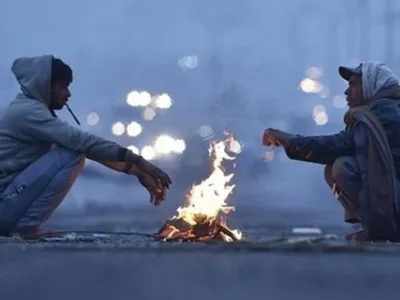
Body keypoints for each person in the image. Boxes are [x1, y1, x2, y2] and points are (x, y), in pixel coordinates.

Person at [0, 55, 171, 238]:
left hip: (8, 203)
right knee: (72, 155)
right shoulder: (28, 113)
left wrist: (136, 170)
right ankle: (26, 227)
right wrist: (140, 161)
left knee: (74, 151)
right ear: (45, 86)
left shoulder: (31, 109)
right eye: (63, 87)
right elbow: (83, 144)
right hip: (5, 205)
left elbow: (90, 150)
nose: (68, 94)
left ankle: (24, 225)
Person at [263, 62, 400, 242]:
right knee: (338, 164)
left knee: (342, 166)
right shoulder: (380, 110)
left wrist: (288, 140)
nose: (346, 91)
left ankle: (382, 230)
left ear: (370, 85)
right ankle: (379, 227)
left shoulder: (385, 114)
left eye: (353, 84)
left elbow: (338, 145)